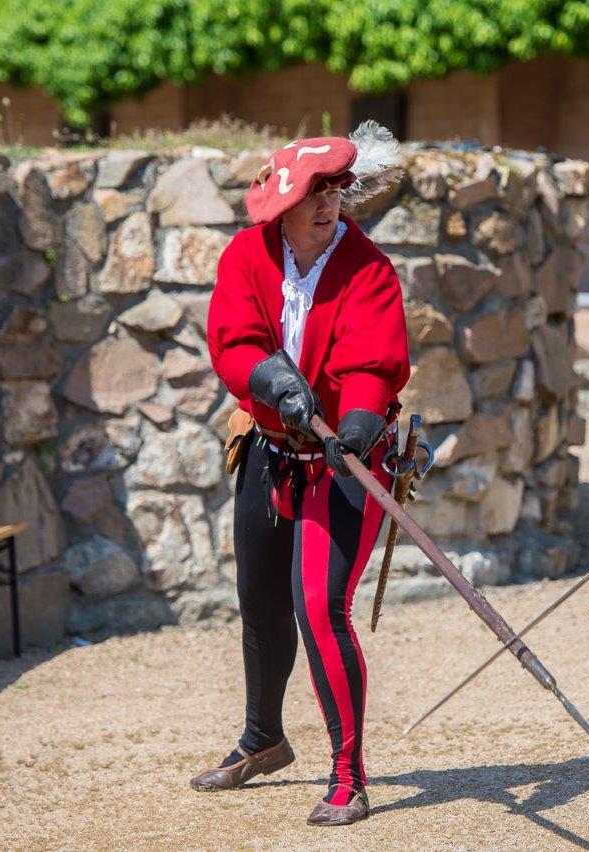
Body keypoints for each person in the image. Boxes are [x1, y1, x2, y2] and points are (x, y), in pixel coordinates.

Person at [198, 130, 410, 826]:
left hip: (348, 456)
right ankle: (263, 740)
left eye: (334, 192)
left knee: (320, 605)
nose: (327, 206)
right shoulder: (245, 255)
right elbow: (234, 340)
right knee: (259, 597)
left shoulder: (368, 269)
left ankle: (349, 776)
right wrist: (268, 378)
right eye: (312, 195)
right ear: (282, 207)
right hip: (269, 446)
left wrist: (359, 423)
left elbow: (373, 364)